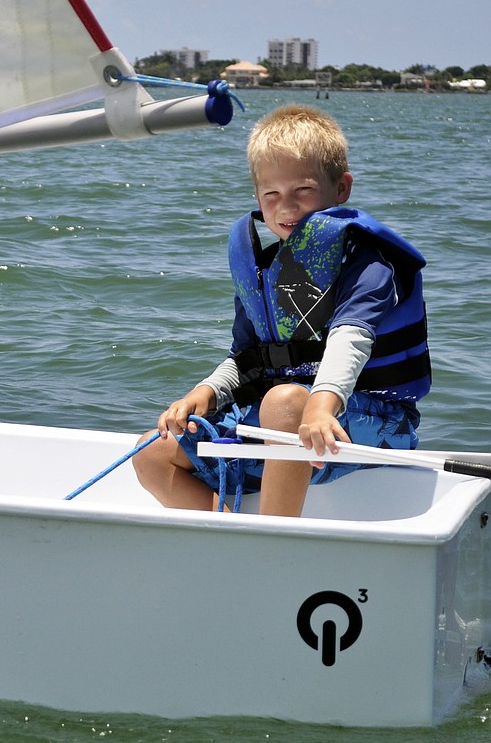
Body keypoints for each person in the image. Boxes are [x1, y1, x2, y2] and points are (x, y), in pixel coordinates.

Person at [133, 104, 431, 517]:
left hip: (368, 426)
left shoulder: (368, 261)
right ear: (258, 197)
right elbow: (249, 358)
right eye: (271, 194)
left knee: (284, 401)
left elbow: (352, 337)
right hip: (288, 424)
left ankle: (274, 541)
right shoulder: (266, 271)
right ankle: (230, 536)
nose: (286, 206)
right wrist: (205, 392)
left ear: (341, 189)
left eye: (302, 191)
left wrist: (322, 403)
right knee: (152, 453)